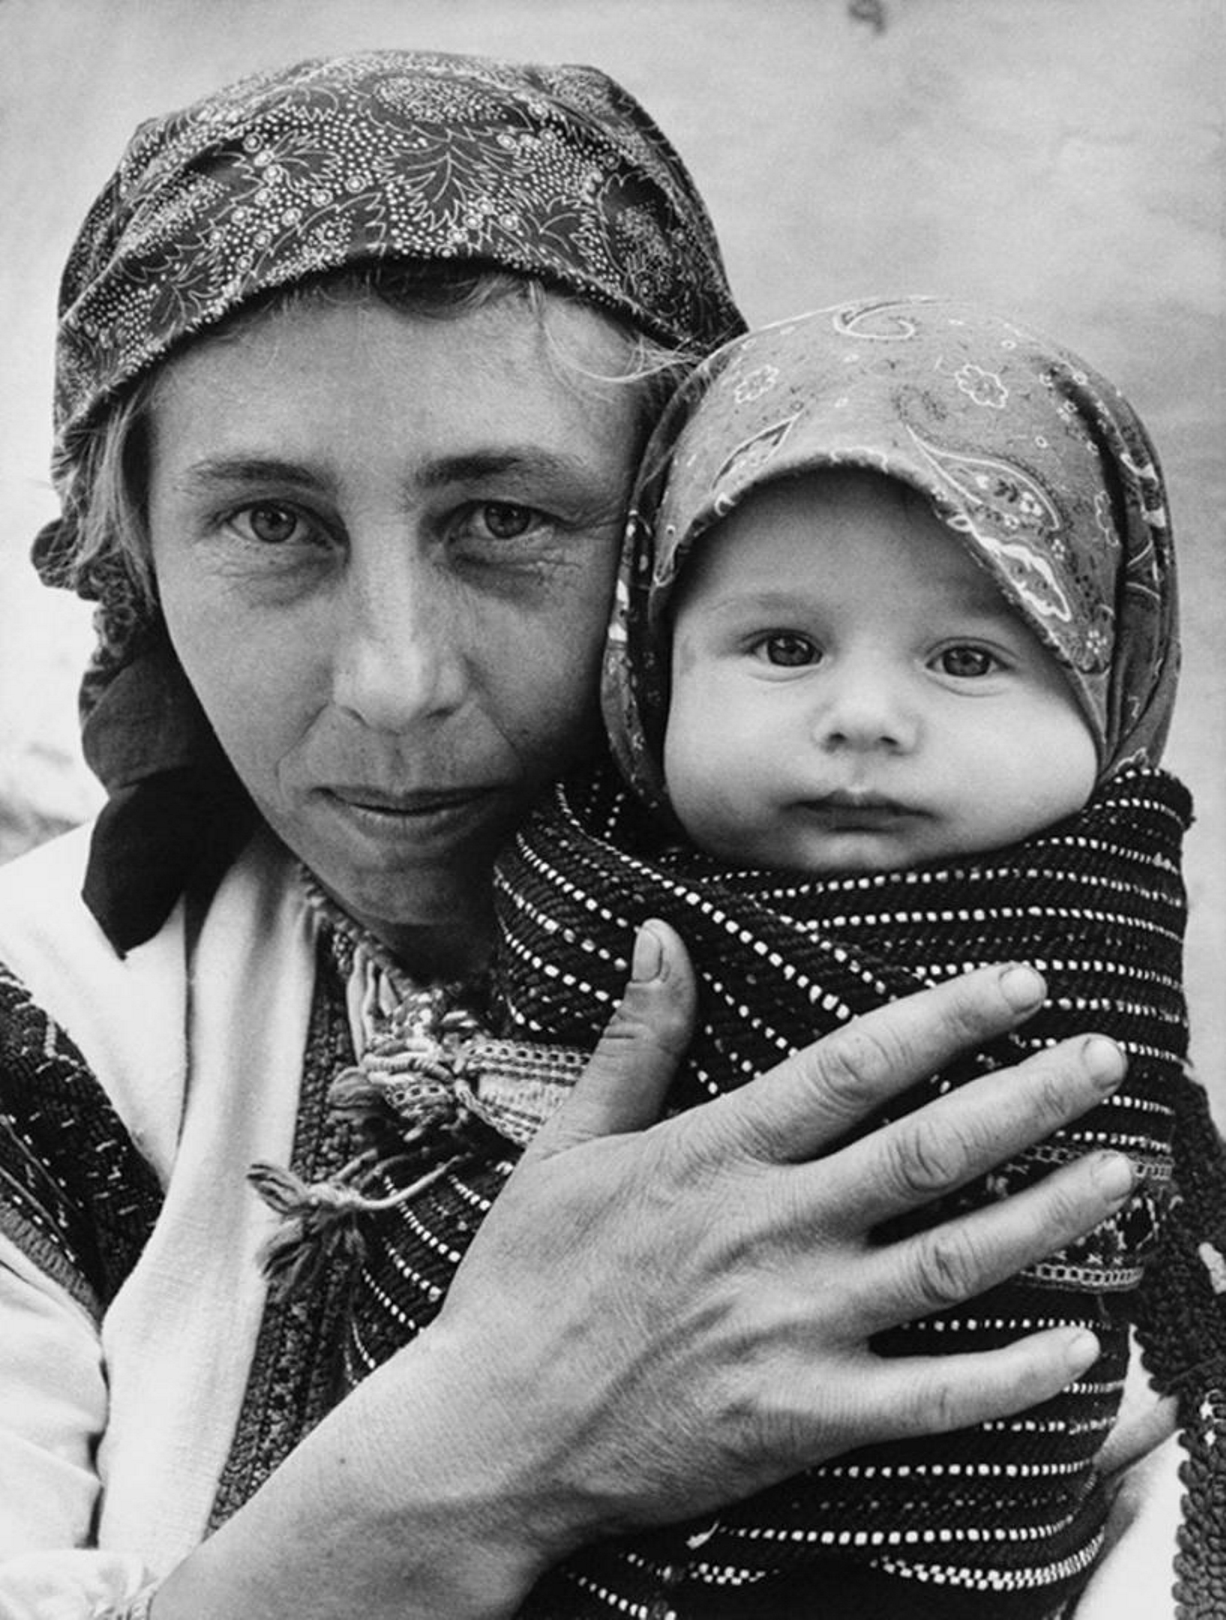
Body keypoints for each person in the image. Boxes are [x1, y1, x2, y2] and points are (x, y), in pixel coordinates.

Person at [0, 53, 1183, 1620]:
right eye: (272, 525)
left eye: (504, 521)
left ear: (674, 542)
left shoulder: (1020, 983)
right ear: (136, 559)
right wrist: (484, 1453)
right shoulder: (59, 1020)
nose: (397, 682)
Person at [300, 296, 1221, 1618]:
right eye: (783, 647)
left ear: (1109, 688)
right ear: (650, 674)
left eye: (968, 657)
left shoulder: (1097, 966)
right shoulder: (576, 916)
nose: (864, 716)